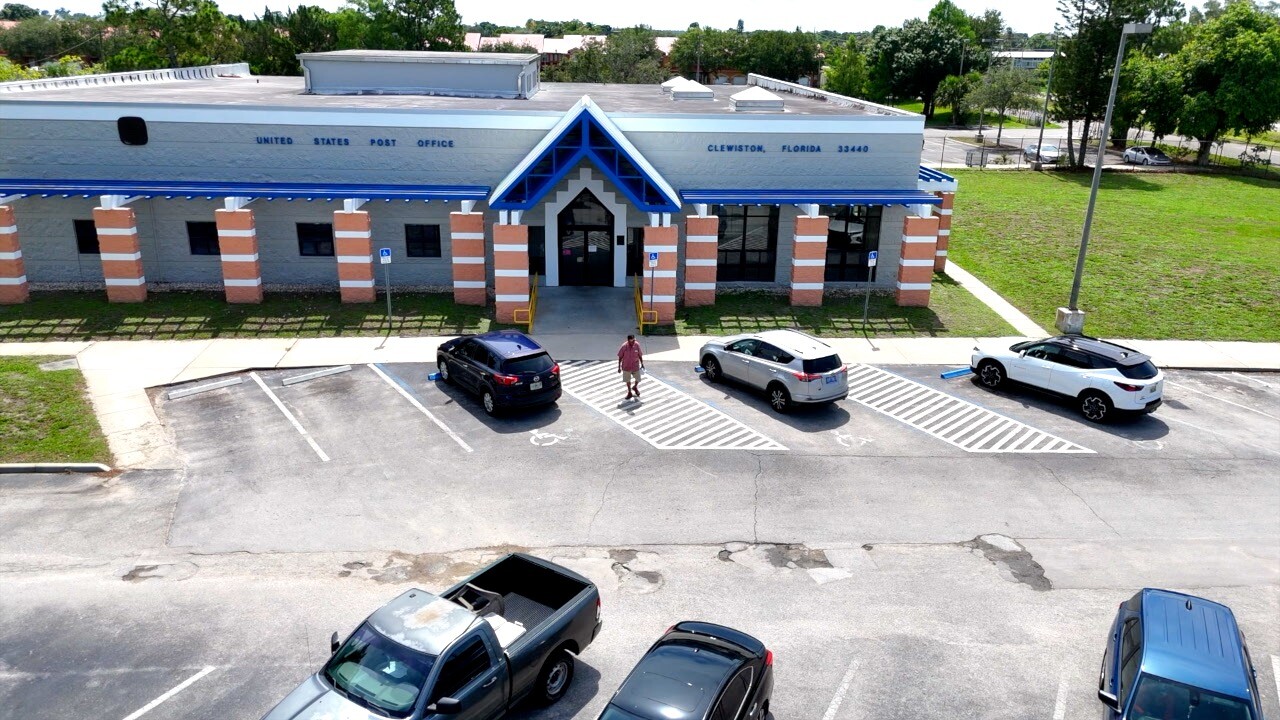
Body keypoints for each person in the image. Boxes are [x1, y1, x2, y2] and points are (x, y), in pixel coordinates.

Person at [617, 334, 645, 400]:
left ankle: (635, 387)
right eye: (632, 341)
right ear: (628, 340)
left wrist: (642, 364)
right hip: (626, 366)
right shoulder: (624, 347)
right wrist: (619, 367)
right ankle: (629, 392)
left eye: (634, 340)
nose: (633, 342)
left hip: (635, 366)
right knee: (627, 380)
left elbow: (640, 355)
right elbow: (620, 357)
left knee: (638, 379)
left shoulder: (637, 345)